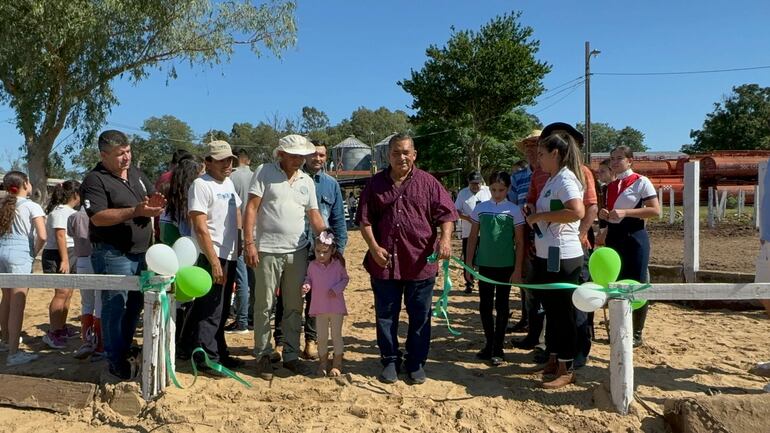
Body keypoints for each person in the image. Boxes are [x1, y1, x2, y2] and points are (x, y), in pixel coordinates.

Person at [356, 133, 458, 385]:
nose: (401, 157)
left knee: (420, 315)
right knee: (385, 315)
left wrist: (445, 240)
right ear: (387, 155)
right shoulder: (374, 185)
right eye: (395, 152)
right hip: (385, 262)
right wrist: (373, 247)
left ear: (414, 154)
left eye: (405, 152)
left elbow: (447, 216)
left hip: (420, 262)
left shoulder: (430, 183)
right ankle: (390, 360)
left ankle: (415, 362)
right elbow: (365, 220)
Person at [81, 130, 166, 380]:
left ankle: (124, 348)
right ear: (104, 155)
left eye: (128, 151)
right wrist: (135, 211)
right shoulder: (95, 180)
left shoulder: (137, 174)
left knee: (136, 305)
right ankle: (114, 358)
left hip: (142, 254)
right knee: (114, 306)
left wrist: (156, 204)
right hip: (112, 253)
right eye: (120, 154)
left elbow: (151, 199)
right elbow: (97, 217)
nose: (126, 158)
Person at [243, 134, 327, 380]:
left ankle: (290, 356)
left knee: (293, 306)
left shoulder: (306, 181)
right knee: (264, 305)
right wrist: (249, 243)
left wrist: (327, 237)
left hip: (297, 251)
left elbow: (314, 216)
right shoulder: (264, 172)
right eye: (294, 156)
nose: (299, 160)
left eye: (302, 156)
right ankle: (263, 355)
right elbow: (251, 208)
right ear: (281, 154)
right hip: (267, 249)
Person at [274, 141, 348, 360]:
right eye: (314, 154)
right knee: (288, 295)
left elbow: (337, 220)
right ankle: (281, 342)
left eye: (322, 155)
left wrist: (338, 250)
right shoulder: (292, 180)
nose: (318, 158)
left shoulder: (331, 184)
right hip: (295, 247)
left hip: (321, 252)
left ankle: (311, 341)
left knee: (318, 296)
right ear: (306, 156)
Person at [525, 131, 585, 389]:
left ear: (555, 154)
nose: (537, 159)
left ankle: (566, 365)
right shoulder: (552, 179)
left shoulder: (566, 179)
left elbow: (576, 211)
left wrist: (538, 218)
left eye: (541, 154)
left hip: (562, 254)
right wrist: (535, 213)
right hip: (547, 253)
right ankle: (553, 357)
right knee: (551, 310)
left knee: (562, 313)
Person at [182, 140, 243, 369]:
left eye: (229, 160)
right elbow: (200, 226)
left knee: (223, 308)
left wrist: (241, 245)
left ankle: (218, 352)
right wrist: (213, 260)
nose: (227, 164)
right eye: (221, 160)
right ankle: (206, 357)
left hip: (230, 254)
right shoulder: (201, 185)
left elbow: (235, 214)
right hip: (211, 254)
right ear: (207, 162)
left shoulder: (228, 184)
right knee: (211, 308)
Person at [599, 145, 660, 348]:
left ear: (629, 160)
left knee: (637, 283)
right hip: (614, 238)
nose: (615, 162)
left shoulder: (641, 181)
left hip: (634, 237)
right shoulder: (609, 186)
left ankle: (636, 333)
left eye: (619, 158)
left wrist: (626, 212)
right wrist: (604, 217)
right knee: (617, 284)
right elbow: (610, 214)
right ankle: (621, 328)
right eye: (612, 158)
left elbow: (655, 210)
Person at [464, 171, 525, 366]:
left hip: (506, 265)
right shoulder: (480, 209)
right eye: (493, 189)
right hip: (485, 264)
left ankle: (498, 347)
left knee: (502, 305)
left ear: (508, 189)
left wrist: (517, 269)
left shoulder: (514, 210)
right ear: (488, 188)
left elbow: (520, 242)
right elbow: (473, 237)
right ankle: (489, 343)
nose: (497, 193)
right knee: (485, 305)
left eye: (501, 189)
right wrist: (468, 263)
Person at [0, 171, 46, 366]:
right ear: (25, 184)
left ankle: (4, 341)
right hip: (19, 254)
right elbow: (42, 236)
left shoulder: (3, 205)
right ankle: (13, 352)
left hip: (1, 250)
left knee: (6, 299)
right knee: (18, 303)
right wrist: (33, 253)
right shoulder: (31, 206)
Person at [302, 230, 348, 377]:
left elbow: (345, 279)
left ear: (332, 250)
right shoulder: (312, 266)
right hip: (319, 306)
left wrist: (337, 289)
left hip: (336, 307)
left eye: (325, 252)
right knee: (321, 337)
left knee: (336, 336)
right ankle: (322, 363)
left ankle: (337, 364)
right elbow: (308, 278)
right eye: (318, 251)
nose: (321, 255)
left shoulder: (338, 265)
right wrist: (306, 285)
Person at [507, 131, 541, 333]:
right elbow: (510, 205)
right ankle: (527, 319)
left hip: (546, 232)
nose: (530, 149)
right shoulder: (518, 177)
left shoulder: (552, 175)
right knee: (524, 277)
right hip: (524, 232)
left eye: (534, 144)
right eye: (527, 145)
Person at [41, 180, 81, 349]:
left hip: (70, 252)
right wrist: (64, 259)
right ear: (75, 194)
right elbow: (60, 236)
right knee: (61, 293)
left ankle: (61, 328)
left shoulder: (70, 211)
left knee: (68, 292)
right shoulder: (59, 212)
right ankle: (53, 333)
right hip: (58, 254)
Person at [225, 147, 254, 335]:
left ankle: (241, 320)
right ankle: (252, 317)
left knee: (241, 279)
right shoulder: (257, 177)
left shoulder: (230, 179)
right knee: (255, 280)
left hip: (238, 234)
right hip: (257, 234)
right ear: (249, 160)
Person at [68, 206, 103, 359]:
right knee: (99, 301)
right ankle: (99, 343)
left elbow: (70, 234)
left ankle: (87, 340)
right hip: (97, 257)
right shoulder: (98, 214)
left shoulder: (74, 217)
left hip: (81, 260)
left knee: (86, 302)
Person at [455, 171, 491, 294]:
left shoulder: (488, 191)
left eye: (478, 183)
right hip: (468, 232)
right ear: (469, 183)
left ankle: (484, 282)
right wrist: (467, 218)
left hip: (486, 232)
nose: (475, 186)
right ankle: (469, 283)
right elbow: (456, 211)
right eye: (473, 184)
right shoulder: (463, 193)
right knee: (468, 258)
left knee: (485, 258)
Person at [159, 157, 202, 245]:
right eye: (201, 172)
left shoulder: (175, 192)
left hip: (167, 235)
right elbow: (189, 232)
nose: (204, 175)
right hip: (181, 242)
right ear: (192, 175)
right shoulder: (187, 199)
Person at [594, 159, 615, 247]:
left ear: (612, 171)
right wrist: (600, 230)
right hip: (605, 228)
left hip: (614, 231)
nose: (599, 174)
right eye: (598, 171)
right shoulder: (604, 189)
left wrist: (604, 233)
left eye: (602, 171)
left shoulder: (616, 189)